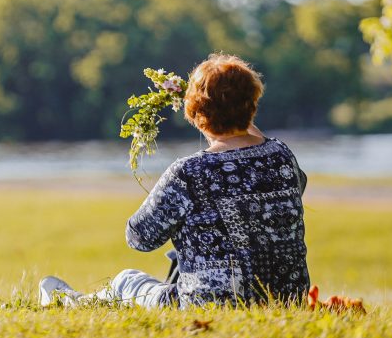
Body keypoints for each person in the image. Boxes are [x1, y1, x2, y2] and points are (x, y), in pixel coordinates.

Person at [39, 53, 310, 309]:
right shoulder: (282, 156)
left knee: (126, 280)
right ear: (253, 105)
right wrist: (243, 119)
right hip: (287, 298)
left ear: (197, 116)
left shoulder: (189, 172)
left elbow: (139, 237)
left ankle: (67, 301)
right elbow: (297, 185)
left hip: (211, 303)